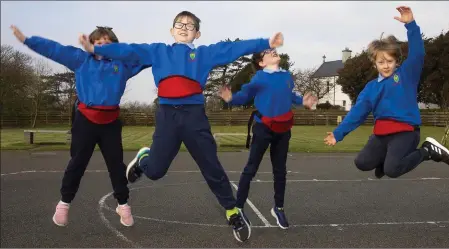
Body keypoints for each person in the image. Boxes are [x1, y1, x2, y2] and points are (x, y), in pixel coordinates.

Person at [78, 10, 283, 242]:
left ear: (197, 33)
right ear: (171, 30)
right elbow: (129, 50)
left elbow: (233, 49)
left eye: (190, 25)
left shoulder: (205, 54)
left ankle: (232, 211)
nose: (184, 27)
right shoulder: (158, 51)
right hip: (167, 116)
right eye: (180, 24)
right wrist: (97, 49)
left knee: (211, 166)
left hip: (194, 116)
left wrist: (265, 42)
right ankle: (144, 160)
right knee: (155, 171)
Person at [11, 25, 150, 227]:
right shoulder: (81, 59)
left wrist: (172, 52)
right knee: (77, 163)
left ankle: (123, 204)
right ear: (90, 45)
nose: (102, 47)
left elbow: (148, 55)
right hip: (85, 121)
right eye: (98, 43)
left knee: (115, 165)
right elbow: (55, 49)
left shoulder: (123, 64)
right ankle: (64, 203)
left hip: (110, 122)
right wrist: (27, 40)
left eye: (108, 44)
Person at [323, 6, 449, 180]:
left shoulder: (406, 75)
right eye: (381, 62)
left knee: (393, 169)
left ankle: (427, 151)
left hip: (406, 132)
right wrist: (338, 134)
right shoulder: (371, 88)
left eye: (390, 61)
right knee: (362, 163)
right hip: (381, 135)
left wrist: (411, 25)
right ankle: (385, 161)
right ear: (374, 64)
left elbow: (417, 55)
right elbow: (357, 113)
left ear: (396, 61)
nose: (386, 65)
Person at [219, 48, 317, 229]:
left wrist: (303, 101)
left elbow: (292, 95)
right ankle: (238, 207)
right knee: (251, 168)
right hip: (263, 128)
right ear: (261, 63)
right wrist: (231, 98)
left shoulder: (287, 76)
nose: (273, 51)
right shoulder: (260, 78)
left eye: (273, 50)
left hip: (283, 129)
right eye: (267, 52)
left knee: (280, 170)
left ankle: (278, 208)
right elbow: (245, 94)